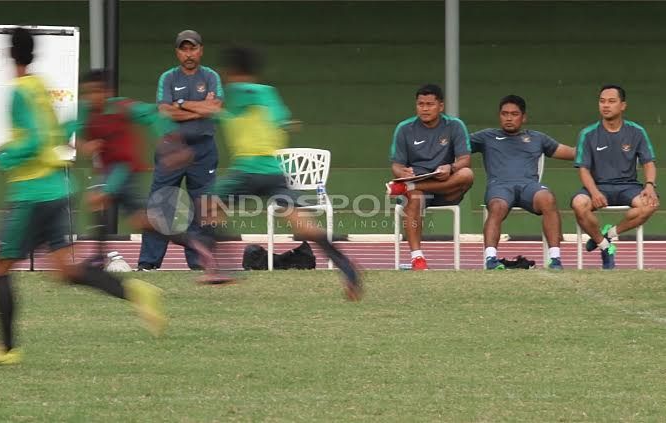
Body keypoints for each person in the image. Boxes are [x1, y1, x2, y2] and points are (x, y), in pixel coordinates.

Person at [0, 28, 166, 365]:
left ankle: (5, 349)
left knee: (0, 268)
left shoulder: (17, 92)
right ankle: (135, 292)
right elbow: (50, 134)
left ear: (10, 54)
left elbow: (37, 141)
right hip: (57, 188)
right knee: (65, 272)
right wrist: (12, 146)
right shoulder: (40, 88)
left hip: (33, 193)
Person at [197, 45, 362, 300]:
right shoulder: (270, 93)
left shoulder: (239, 90)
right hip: (275, 172)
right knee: (304, 225)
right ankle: (346, 267)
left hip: (248, 169)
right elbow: (273, 118)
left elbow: (238, 106)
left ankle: (221, 269)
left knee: (208, 204)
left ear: (231, 71)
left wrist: (212, 109)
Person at [64, 69, 183, 265]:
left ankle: (99, 257)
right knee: (142, 221)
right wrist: (83, 145)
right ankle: (196, 243)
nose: (92, 97)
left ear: (107, 92)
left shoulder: (123, 107)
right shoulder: (84, 109)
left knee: (96, 198)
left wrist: (169, 141)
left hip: (125, 168)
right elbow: (65, 134)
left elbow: (153, 114)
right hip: (107, 170)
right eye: (87, 92)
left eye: (97, 91)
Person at [138, 29, 223, 271]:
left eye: (193, 48)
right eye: (184, 49)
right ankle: (148, 263)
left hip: (203, 150)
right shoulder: (168, 78)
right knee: (160, 204)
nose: (189, 54)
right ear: (177, 52)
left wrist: (183, 105)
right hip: (171, 149)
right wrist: (199, 108)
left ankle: (200, 263)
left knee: (203, 207)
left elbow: (214, 109)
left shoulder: (211, 76)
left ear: (201, 50)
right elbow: (166, 111)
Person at [470, 95, 576, 270]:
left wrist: (595, 149)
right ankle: (490, 260)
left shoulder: (537, 138)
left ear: (523, 117)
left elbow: (571, 153)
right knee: (496, 206)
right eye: (504, 114)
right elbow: (457, 145)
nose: (509, 118)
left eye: (514, 114)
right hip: (500, 187)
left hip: (530, 187)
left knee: (548, 199)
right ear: (499, 116)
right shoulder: (486, 137)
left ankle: (555, 259)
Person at [385, 84, 474, 270]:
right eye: (420, 104)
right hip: (417, 189)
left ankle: (409, 187)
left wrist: (450, 167)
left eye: (430, 104)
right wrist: (402, 173)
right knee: (415, 196)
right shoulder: (404, 128)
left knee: (467, 174)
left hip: (446, 187)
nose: (424, 109)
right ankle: (418, 258)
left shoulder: (455, 125)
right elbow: (397, 165)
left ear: (440, 106)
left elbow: (465, 160)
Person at [571, 85, 658, 269]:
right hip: (598, 186)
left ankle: (609, 234)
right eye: (602, 101)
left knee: (650, 204)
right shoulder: (588, 134)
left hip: (628, 186)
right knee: (579, 204)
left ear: (623, 105)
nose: (606, 105)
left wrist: (649, 185)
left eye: (611, 101)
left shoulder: (636, 131)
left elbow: (648, 163)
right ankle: (604, 247)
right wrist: (594, 192)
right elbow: (583, 169)